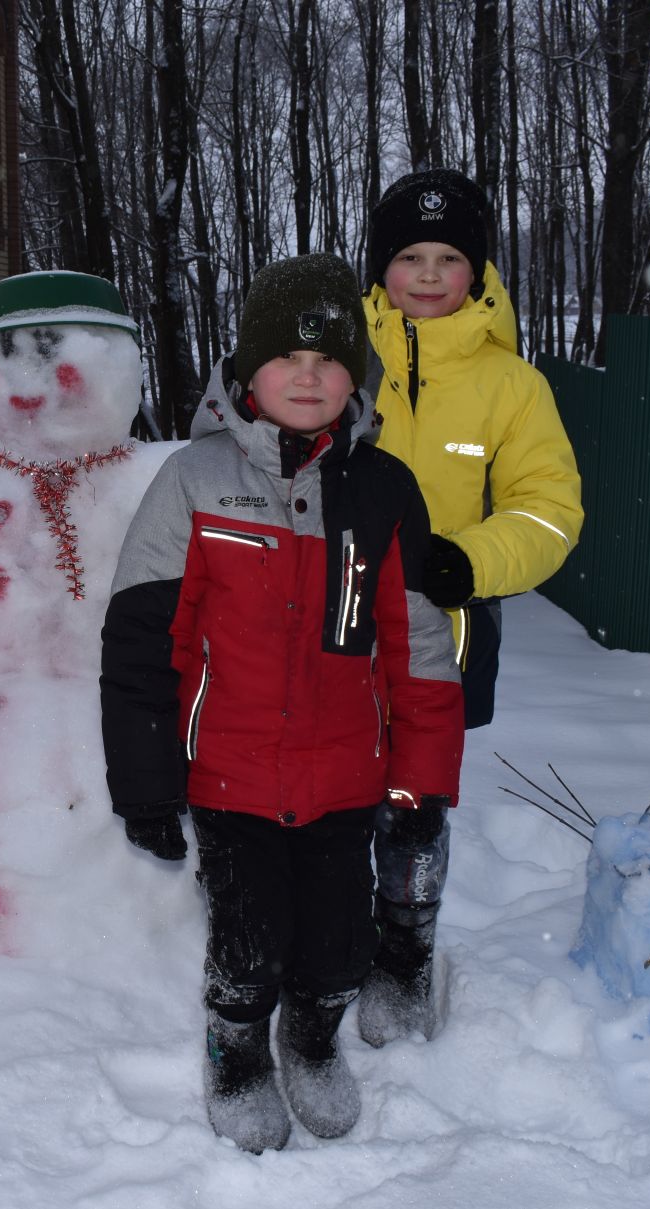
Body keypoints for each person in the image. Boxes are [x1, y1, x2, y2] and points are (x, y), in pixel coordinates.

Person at [100, 254, 464, 1152]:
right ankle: (236, 1051)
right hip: (231, 778)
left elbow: (419, 650)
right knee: (250, 943)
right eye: (287, 358)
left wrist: (422, 785)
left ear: (357, 378)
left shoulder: (383, 492)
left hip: (347, 777)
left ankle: (309, 1042)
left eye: (331, 359)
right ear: (246, 373)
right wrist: (147, 783)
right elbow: (145, 641)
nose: (310, 376)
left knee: (337, 947)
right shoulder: (193, 479)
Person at [356, 168, 584, 1047]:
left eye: (448, 256)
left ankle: (406, 957)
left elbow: (548, 506)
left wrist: (471, 560)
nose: (426, 273)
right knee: (334, 790)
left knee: (413, 801)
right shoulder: (341, 360)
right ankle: (336, 941)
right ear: (382, 267)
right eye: (409, 255)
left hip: (440, 630)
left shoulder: (512, 387)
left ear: (478, 270)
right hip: (328, 629)